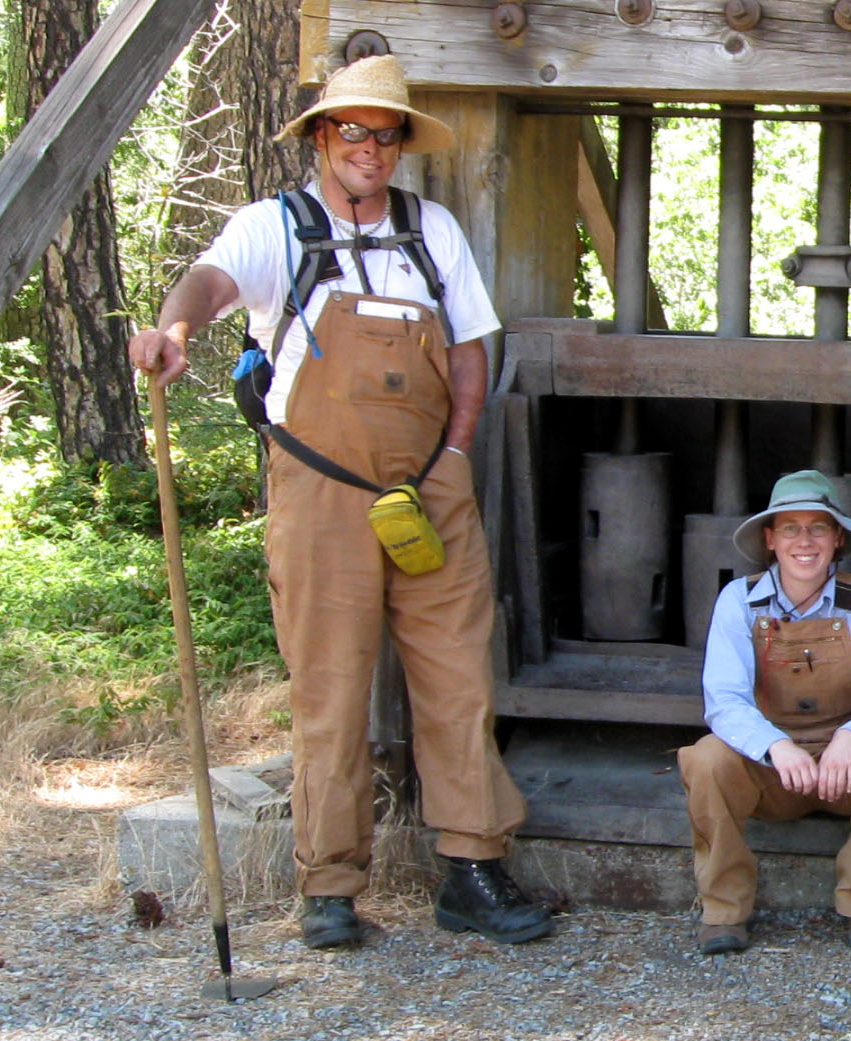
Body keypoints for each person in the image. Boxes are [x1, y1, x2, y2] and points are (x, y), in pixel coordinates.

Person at [127, 54, 549, 950]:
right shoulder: (272, 227)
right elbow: (207, 283)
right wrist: (174, 328)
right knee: (329, 686)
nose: (369, 147)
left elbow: (471, 348)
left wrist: (458, 454)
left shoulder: (431, 229)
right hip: (319, 490)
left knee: (458, 677)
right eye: (351, 129)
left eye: (385, 132)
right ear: (322, 137)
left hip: (430, 486)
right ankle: (329, 886)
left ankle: (472, 868)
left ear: (400, 144)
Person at [678, 470, 851, 951]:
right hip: (770, 771)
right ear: (770, 539)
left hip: (845, 770)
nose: (805, 541)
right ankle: (723, 910)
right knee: (706, 758)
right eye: (790, 528)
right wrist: (774, 745)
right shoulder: (738, 601)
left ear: (837, 539)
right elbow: (724, 701)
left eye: (818, 527)